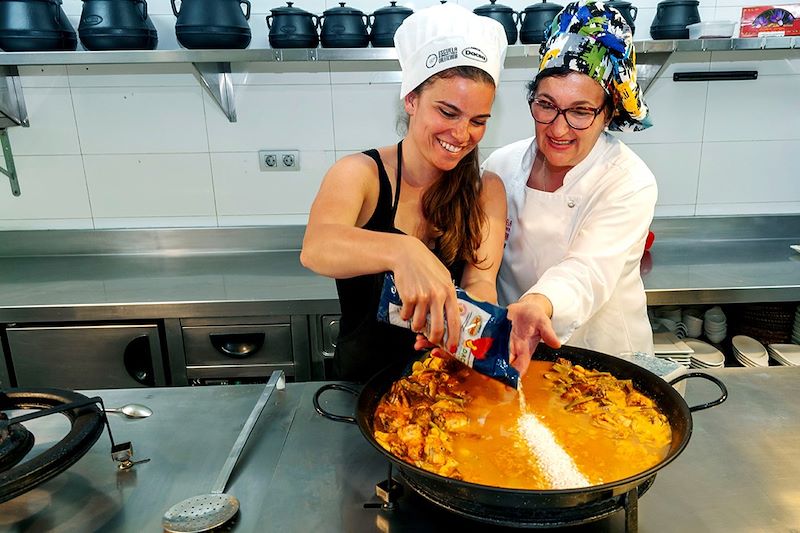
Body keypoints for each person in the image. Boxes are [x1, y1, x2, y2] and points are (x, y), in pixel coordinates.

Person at [301, 3, 508, 382]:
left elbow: (480, 283)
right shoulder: (360, 174)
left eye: (478, 121)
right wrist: (403, 250)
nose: (462, 135)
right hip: (361, 390)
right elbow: (316, 247)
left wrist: (469, 331)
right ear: (411, 99)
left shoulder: (485, 189)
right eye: (447, 112)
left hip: (446, 385)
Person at [481, 0, 657, 375]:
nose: (558, 129)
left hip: (605, 360)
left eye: (580, 112)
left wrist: (539, 303)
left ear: (608, 113)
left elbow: (586, 271)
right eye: (546, 105)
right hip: (518, 351)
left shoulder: (628, 180)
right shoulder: (500, 167)